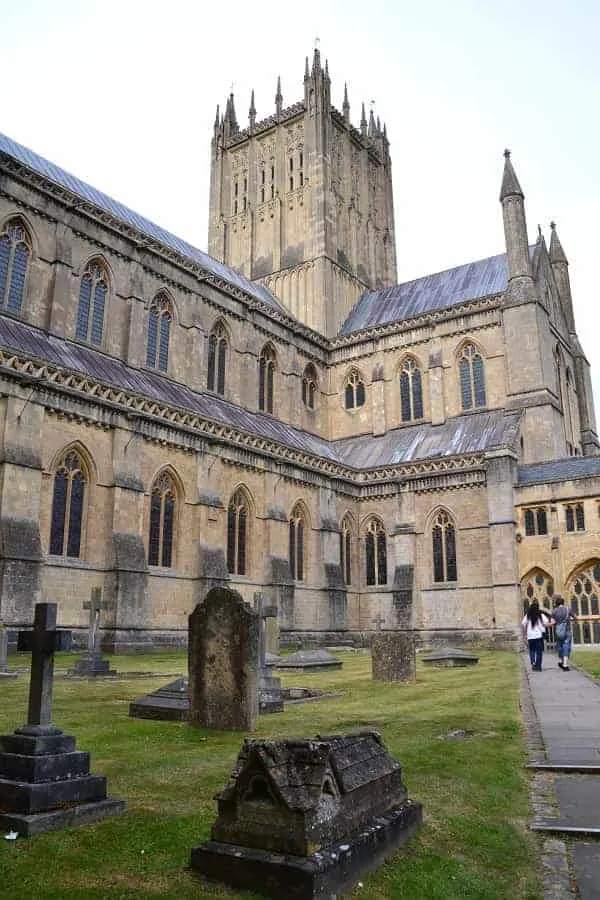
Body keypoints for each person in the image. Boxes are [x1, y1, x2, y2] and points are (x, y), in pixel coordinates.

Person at [521, 600, 550, 671]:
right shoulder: (541, 615)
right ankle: (538, 666)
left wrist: (524, 634)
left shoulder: (527, 615)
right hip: (538, 636)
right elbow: (546, 623)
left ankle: (533, 663)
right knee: (539, 652)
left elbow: (523, 624)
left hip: (530, 636)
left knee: (532, 651)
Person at [551, 596, 576, 671]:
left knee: (560, 647)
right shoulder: (568, 609)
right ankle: (565, 664)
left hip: (558, 631)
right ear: (563, 603)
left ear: (556, 604)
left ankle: (561, 661)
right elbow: (575, 617)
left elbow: (552, 622)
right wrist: (571, 619)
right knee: (566, 647)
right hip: (567, 631)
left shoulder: (554, 611)